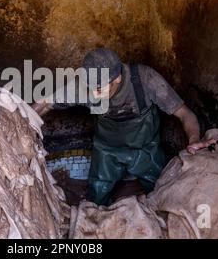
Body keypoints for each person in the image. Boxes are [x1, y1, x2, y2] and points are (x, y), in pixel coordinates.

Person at [32, 48, 202, 206]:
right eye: (91, 88)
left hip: (145, 149)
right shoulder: (86, 86)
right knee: (95, 198)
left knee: (162, 193)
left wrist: (194, 141)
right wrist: (21, 122)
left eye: (99, 88)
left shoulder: (145, 80)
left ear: (117, 78)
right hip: (107, 150)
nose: (94, 94)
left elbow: (185, 114)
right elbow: (45, 103)